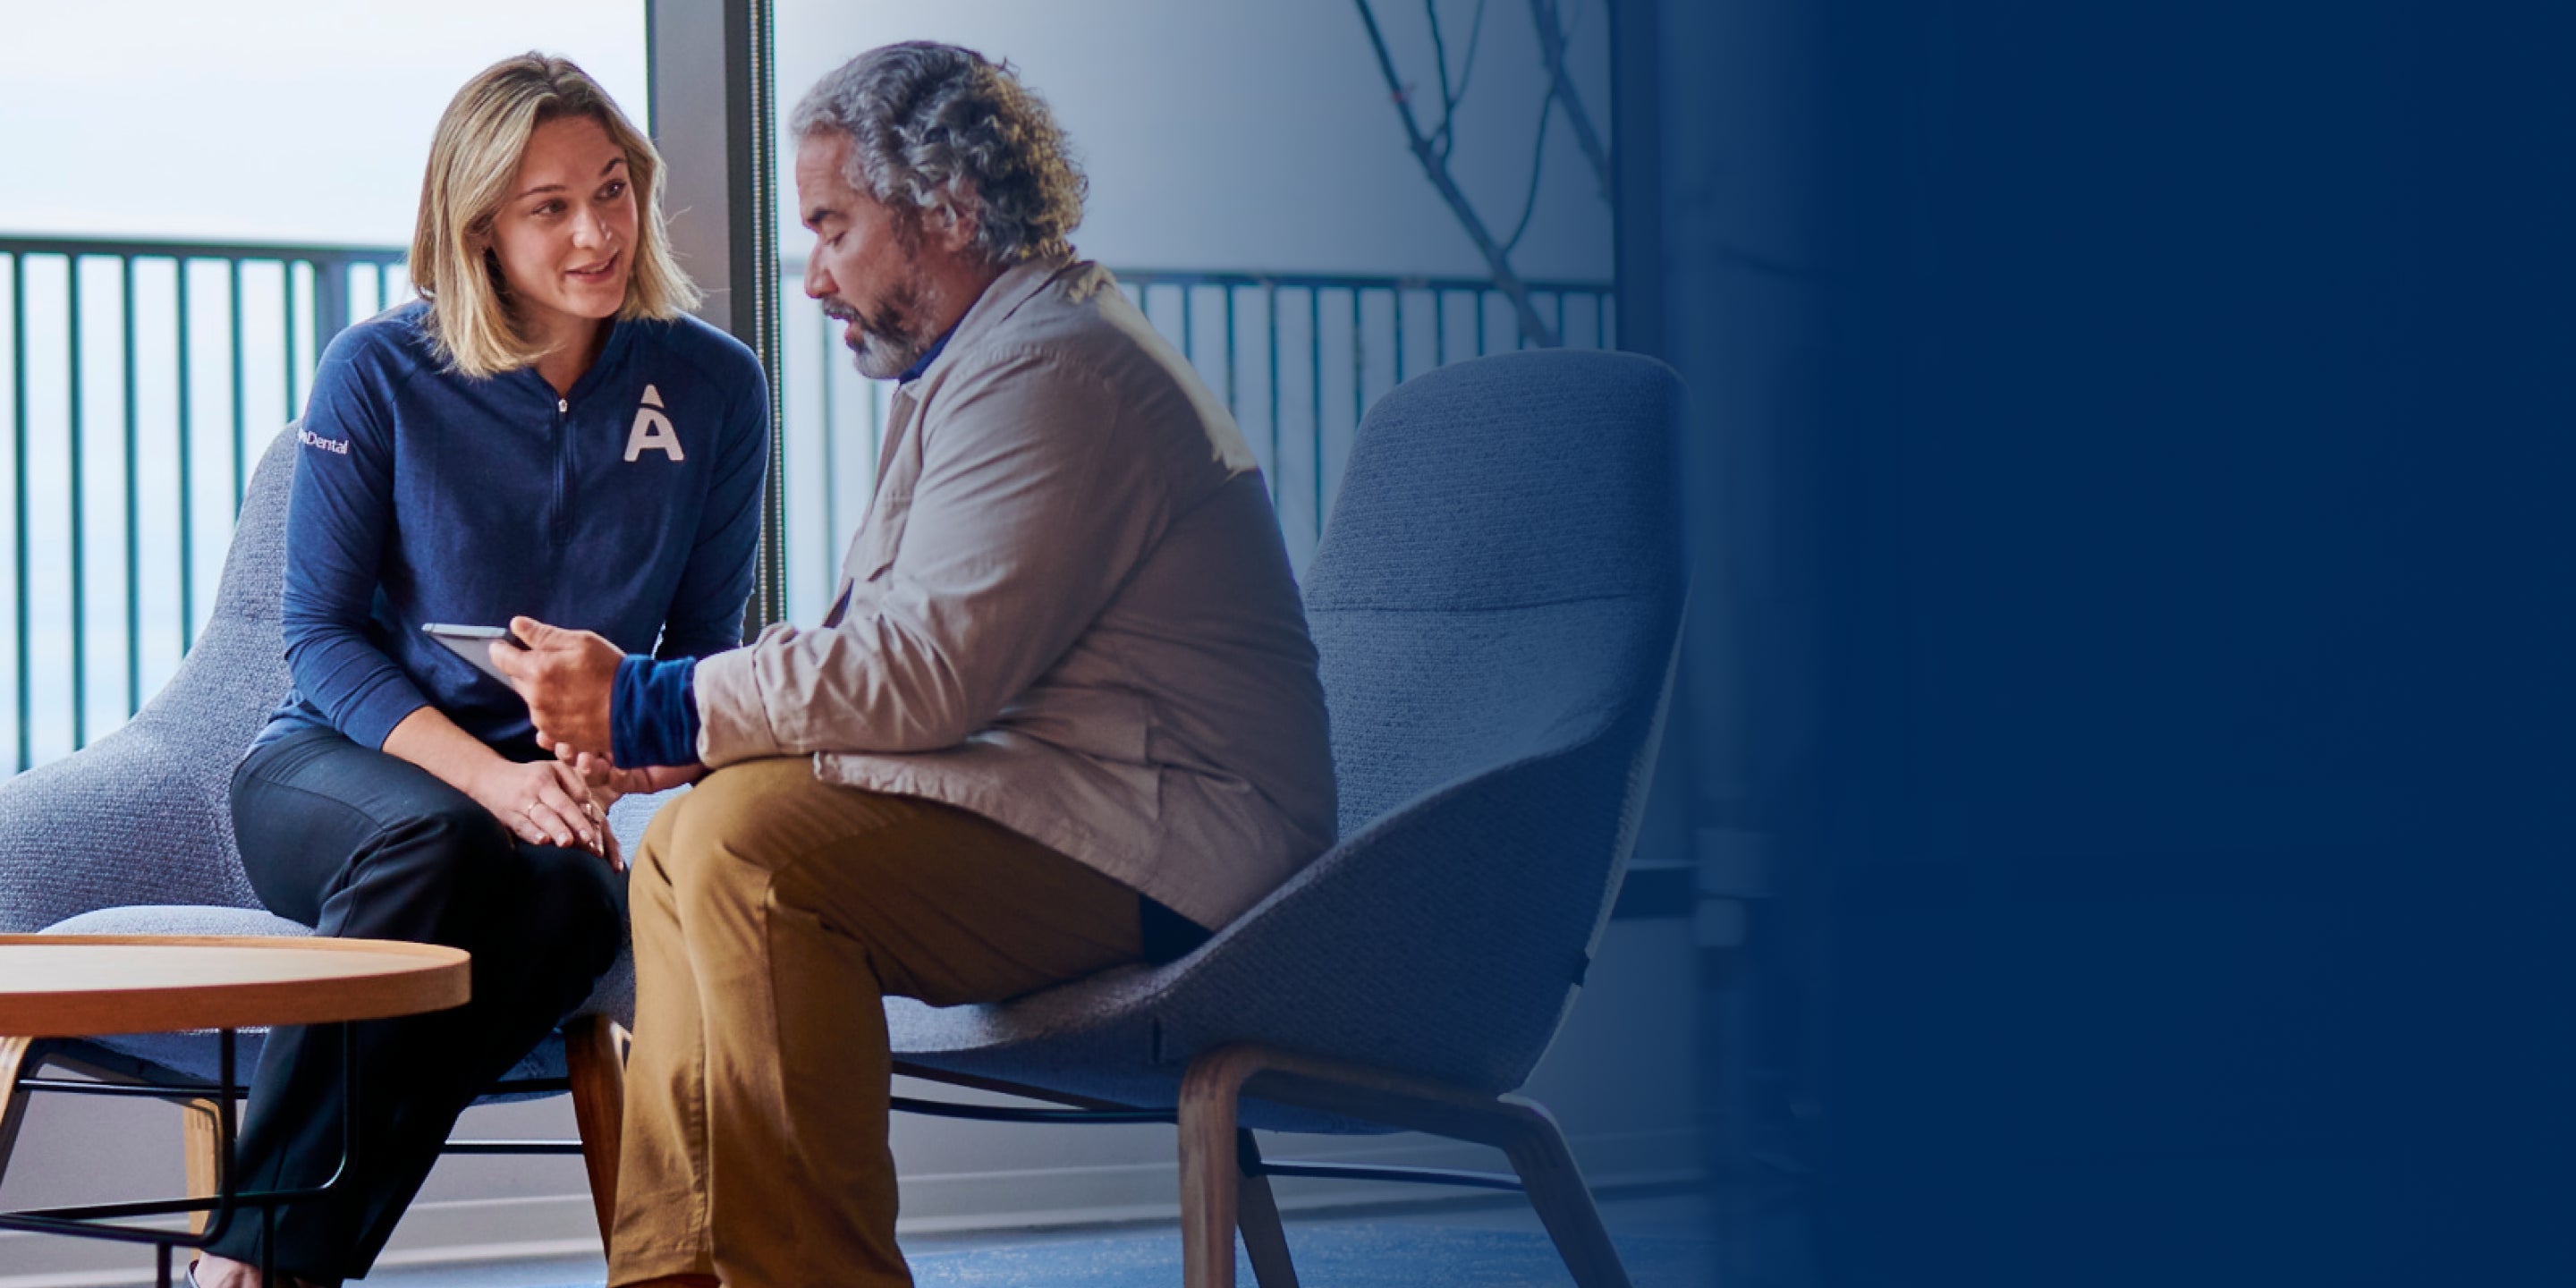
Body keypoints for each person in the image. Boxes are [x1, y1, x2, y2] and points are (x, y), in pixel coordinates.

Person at [493, 41, 1336, 1288]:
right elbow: (882, 649)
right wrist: (674, 736)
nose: (816, 274)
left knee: (749, 853)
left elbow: (921, 678)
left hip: (1179, 844)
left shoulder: (1056, 373)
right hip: (1076, 801)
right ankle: (672, 1275)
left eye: (833, 227)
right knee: (689, 837)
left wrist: (645, 695)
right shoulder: (987, 365)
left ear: (944, 211)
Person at [194, 54, 770, 1288]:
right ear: (480, 230)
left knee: (567, 913)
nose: (597, 232)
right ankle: (255, 1262)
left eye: (613, 192)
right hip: (342, 774)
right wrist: (499, 787)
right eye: (549, 207)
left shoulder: (718, 387)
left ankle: (270, 1269)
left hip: (548, 821)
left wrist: (617, 758)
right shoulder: (380, 368)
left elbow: (703, 653)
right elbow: (321, 638)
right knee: (452, 851)